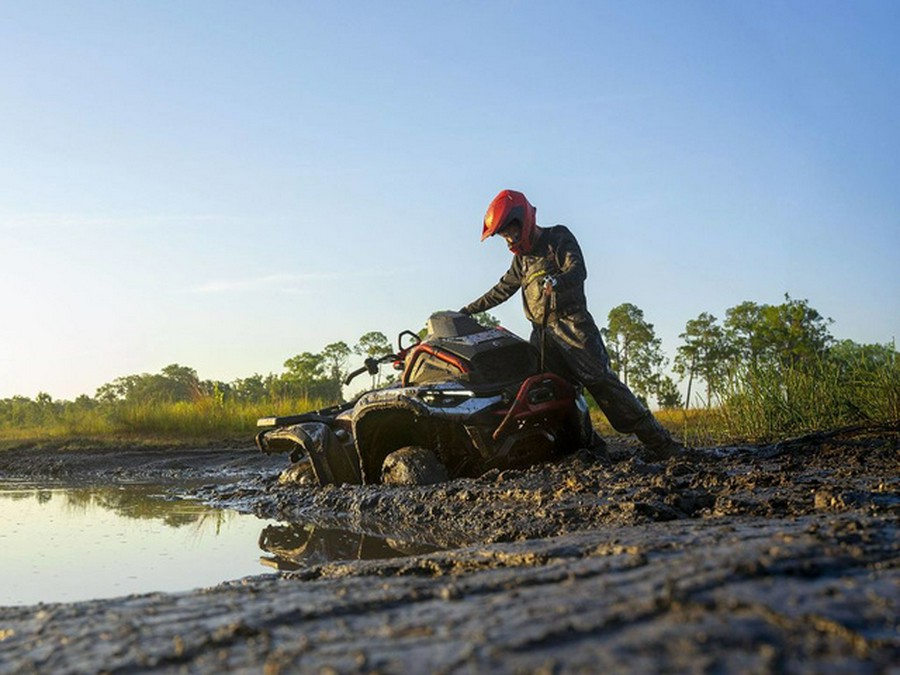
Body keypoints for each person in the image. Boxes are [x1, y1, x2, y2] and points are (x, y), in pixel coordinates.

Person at [460, 189, 684, 461]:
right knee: (549, 394)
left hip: (572, 325)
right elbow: (501, 289)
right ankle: (587, 447)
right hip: (543, 337)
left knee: (602, 383)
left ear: (523, 220)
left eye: (510, 231)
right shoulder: (521, 261)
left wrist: (558, 282)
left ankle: (661, 443)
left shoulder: (558, 238)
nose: (509, 238)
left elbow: (578, 269)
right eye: (504, 235)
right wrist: (465, 311)